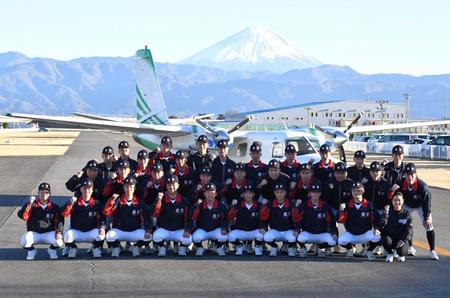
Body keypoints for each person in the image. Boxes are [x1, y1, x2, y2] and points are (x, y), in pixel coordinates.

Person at [396, 163, 438, 260]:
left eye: (412, 174)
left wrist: (426, 217)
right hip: (407, 205)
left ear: (416, 174)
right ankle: (410, 247)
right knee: (406, 224)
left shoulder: (422, 186)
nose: (410, 177)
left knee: (428, 225)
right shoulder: (400, 183)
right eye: (407, 174)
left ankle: (432, 250)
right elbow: (395, 195)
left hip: (420, 206)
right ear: (404, 175)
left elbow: (427, 202)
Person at [103, 176, 152, 258]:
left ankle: (136, 247)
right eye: (126, 186)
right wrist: (111, 201)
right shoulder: (117, 200)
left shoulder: (140, 202)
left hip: (134, 231)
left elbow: (146, 216)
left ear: (134, 188)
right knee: (109, 236)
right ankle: (116, 247)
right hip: (120, 231)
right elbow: (106, 212)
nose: (129, 189)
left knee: (149, 236)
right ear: (123, 187)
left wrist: (147, 230)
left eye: (131, 187)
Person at [61, 178, 106, 258]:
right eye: (84, 188)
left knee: (101, 234)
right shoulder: (74, 202)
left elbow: (102, 217)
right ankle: (73, 247)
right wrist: (69, 203)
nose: (86, 191)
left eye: (89, 189)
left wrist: (102, 227)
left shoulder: (97, 203)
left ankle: (96, 247)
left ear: (92, 190)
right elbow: (63, 213)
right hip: (77, 231)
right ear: (81, 189)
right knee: (67, 235)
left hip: (91, 231)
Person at [17, 183, 63, 260]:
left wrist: (59, 232)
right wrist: (28, 204)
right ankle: (31, 250)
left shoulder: (55, 207)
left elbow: (59, 221)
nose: (44, 194)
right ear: (38, 193)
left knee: (59, 242)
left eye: (46, 192)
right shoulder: (31, 205)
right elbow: (22, 216)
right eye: (42, 192)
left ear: (49, 194)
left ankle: (52, 250)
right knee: (24, 241)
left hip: (48, 233)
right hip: (34, 233)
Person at [337, 182, 382, 261]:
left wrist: (376, 229)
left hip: (365, 234)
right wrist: (341, 210)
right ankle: (351, 249)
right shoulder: (346, 205)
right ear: (351, 192)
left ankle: (369, 250)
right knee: (340, 240)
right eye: (354, 191)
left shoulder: (369, 205)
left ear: (363, 191)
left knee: (378, 237)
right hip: (352, 234)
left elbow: (376, 219)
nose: (356, 193)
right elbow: (339, 220)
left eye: (358, 190)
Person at [151, 174, 192, 257]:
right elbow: (153, 213)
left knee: (188, 239)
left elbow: (189, 218)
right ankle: (162, 247)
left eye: (173, 184)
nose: (171, 187)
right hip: (165, 230)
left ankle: (182, 247)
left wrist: (187, 230)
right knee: (155, 236)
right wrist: (157, 200)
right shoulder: (161, 199)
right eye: (169, 184)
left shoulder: (184, 200)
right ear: (166, 186)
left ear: (178, 185)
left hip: (178, 230)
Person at [296, 182, 337, 258]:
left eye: (317, 192)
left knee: (333, 242)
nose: (315, 194)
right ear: (310, 193)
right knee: (299, 238)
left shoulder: (325, 206)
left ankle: (320, 247)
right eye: (313, 192)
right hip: (308, 233)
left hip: (322, 233)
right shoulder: (304, 205)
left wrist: (333, 232)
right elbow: (297, 220)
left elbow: (332, 221)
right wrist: (297, 230)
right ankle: (303, 247)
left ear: (320, 193)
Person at [189, 183, 228, 256]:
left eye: (212, 193)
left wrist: (224, 228)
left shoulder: (221, 206)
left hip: (215, 230)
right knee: (195, 237)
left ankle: (217, 247)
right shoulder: (200, 205)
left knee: (224, 236)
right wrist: (195, 206)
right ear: (204, 194)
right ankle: (200, 248)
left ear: (215, 194)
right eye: (207, 192)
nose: (210, 195)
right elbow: (191, 216)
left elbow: (225, 219)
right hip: (203, 229)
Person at [260, 183, 299, 257]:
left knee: (293, 238)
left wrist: (297, 230)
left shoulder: (291, 204)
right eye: (277, 192)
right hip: (275, 230)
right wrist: (264, 227)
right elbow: (265, 218)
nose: (279, 194)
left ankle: (289, 247)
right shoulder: (270, 204)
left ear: (285, 192)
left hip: (288, 230)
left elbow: (296, 219)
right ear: (274, 193)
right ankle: (275, 247)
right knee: (266, 237)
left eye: (281, 192)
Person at [227, 184, 264, 256]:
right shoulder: (238, 205)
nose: (248, 195)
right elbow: (230, 217)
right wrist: (232, 207)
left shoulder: (259, 205)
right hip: (241, 231)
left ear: (253, 194)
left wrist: (263, 227)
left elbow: (263, 219)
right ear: (243, 194)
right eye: (246, 193)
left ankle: (257, 246)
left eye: (250, 193)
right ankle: (240, 245)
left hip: (253, 231)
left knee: (262, 235)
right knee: (229, 236)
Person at [380, 192, 413, 263]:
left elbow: (409, 230)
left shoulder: (407, 214)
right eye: (395, 200)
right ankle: (390, 253)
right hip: (391, 240)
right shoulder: (387, 212)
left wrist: (403, 240)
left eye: (399, 200)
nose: (397, 202)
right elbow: (382, 225)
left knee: (401, 251)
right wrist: (385, 214)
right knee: (384, 239)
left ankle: (400, 254)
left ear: (403, 201)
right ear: (392, 201)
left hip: (401, 240)